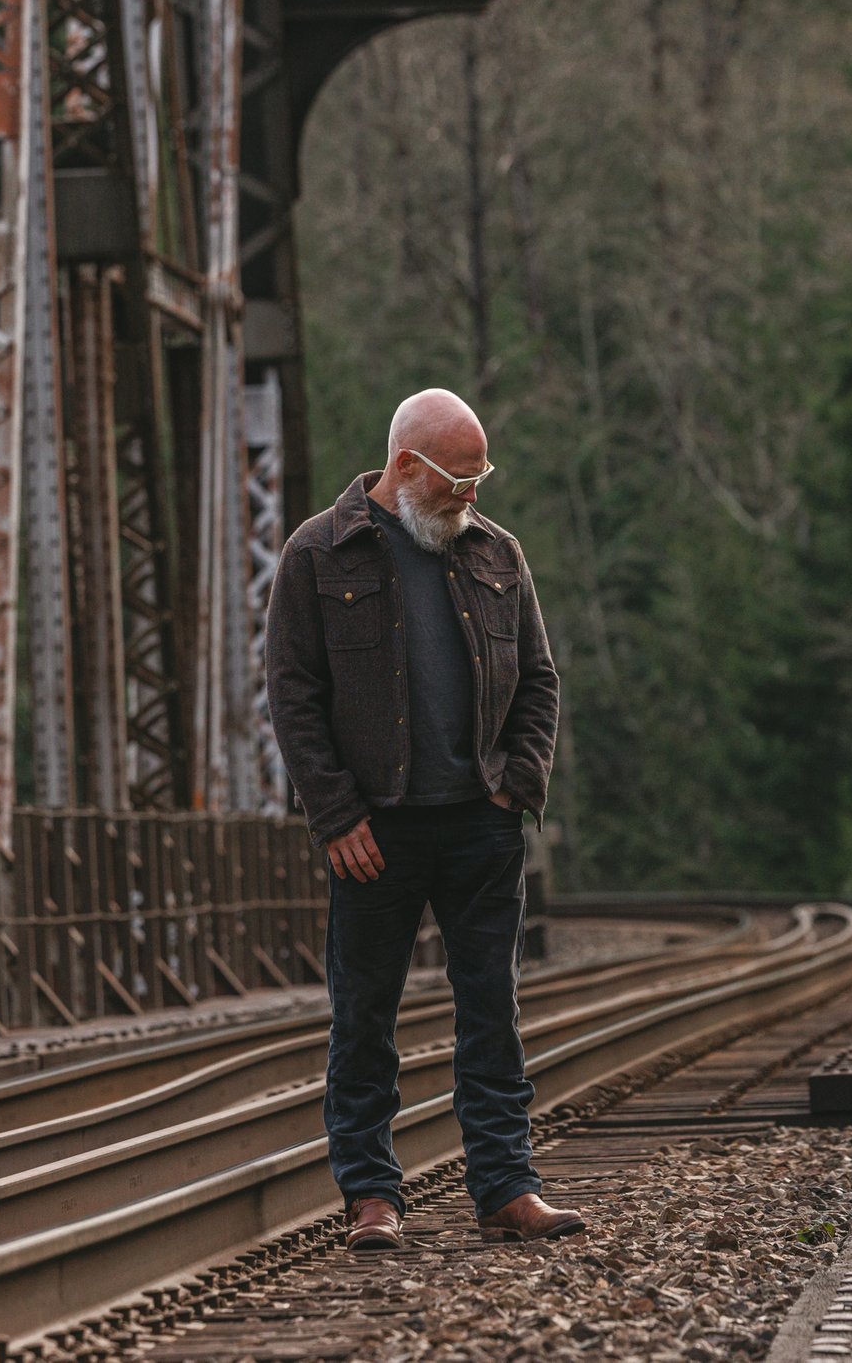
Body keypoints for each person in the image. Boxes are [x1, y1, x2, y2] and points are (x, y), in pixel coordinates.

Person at [263, 388, 580, 1252]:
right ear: (406, 466)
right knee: (364, 1015)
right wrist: (334, 816)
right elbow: (292, 697)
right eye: (458, 479)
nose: (471, 495)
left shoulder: (499, 556)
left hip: (480, 824)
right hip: (374, 834)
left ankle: (506, 1188)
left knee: (492, 1010)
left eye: (481, 478)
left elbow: (540, 683)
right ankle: (371, 1197)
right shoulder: (317, 556)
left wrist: (516, 785)